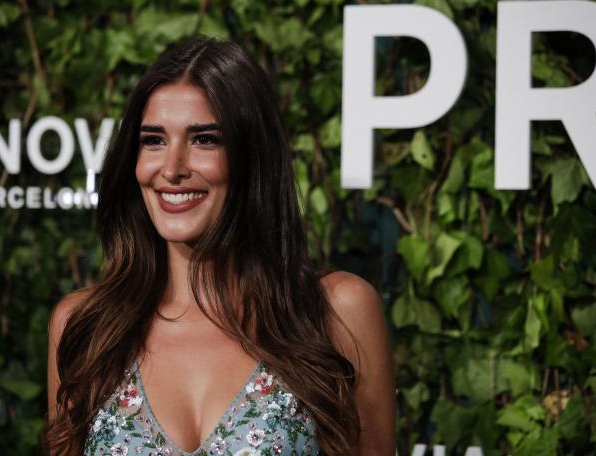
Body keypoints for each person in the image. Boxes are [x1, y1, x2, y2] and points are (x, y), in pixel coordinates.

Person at [46, 37, 395, 456]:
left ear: (252, 156)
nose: (172, 169)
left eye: (205, 139)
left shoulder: (337, 311)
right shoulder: (86, 327)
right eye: (154, 140)